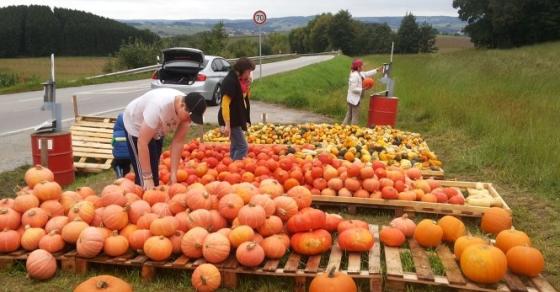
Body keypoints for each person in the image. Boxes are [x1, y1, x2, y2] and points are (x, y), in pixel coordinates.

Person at [123, 88, 207, 189]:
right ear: (182, 105)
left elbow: (178, 142)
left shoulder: (187, 111)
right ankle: (141, 194)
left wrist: (173, 174)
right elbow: (142, 142)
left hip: (158, 128)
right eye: (190, 117)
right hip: (136, 125)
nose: (190, 120)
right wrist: (147, 177)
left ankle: (152, 189)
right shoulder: (158, 106)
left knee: (154, 165)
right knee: (145, 180)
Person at [219, 57, 255, 160]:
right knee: (243, 147)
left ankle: (232, 165)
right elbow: (225, 104)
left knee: (235, 145)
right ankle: (235, 168)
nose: (249, 75)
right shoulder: (230, 82)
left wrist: (247, 86)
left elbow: (242, 98)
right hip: (232, 119)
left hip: (236, 118)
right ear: (242, 70)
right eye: (248, 72)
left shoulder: (238, 79)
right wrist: (227, 124)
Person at [343, 59, 383, 125]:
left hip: (352, 99)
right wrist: (363, 89)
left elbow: (366, 73)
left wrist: (377, 70)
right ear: (358, 67)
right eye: (362, 66)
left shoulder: (359, 73)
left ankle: (343, 128)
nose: (363, 67)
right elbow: (353, 88)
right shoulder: (354, 76)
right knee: (355, 116)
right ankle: (353, 130)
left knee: (349, 115)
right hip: (354, 100)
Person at [111, 112, 132, 178]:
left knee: (115, 164)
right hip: (129, 156)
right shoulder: (131, 133)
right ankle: (125, 176)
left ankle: (118, 172)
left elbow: (113, 144)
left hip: (118, 157)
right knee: (126, 166)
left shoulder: (116, 134)